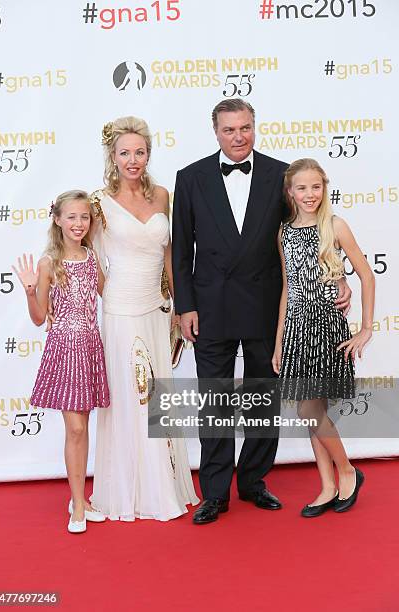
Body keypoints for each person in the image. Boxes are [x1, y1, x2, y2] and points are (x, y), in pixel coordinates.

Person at [172, 98, 352, 525]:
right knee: (213, 400)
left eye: (246, 128)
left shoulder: (280, 174)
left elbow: (311, 230)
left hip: (267, 305)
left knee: (262, 399)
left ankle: (253, 481)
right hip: (210, 305)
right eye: (230, 130)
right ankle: (214, 493)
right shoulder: (191, 177)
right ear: (215, 131)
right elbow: (181, 250)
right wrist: (185, 307)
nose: (239, 137)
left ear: (255, 127)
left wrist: (339, 274)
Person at [89, 116, 199, 521]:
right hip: (120, 308)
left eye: (139, 152)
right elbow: (91, 262)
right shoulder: (97, 202)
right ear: (112, 157)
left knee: (157, 397)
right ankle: (130, 491)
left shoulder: (162, 196)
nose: (132, 160)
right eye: (124, 153)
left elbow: (170, 254)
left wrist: (177, 305)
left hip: (157, 308)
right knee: (132, 395)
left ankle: (162, 484)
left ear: (148, 154)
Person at [272, 158, 375, 517]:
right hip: (297, 329)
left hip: (327, 327)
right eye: (302, 188)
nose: (309, 194)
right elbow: (289, 287)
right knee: (312, 409)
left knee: (310, 409)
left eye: (316, 186)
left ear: (324, 188)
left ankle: (347, 471)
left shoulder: (334, 225)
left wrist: (366, 328)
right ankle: (328, 485)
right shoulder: (284, 232)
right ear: (290, 192)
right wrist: (278, 341)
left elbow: (367, 275)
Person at [13, 190, 110, 533]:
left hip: (90, 348)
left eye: (84, 217)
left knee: (82, 429)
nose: (78, 223)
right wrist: (28, 291)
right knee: (76, 428)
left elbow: (107, 296)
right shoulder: (48, 262)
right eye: (71, 217)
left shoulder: (92, 257)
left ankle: (79, 498)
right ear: (57, 219)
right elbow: (40, 317)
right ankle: (77, 506)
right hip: (64, 350)